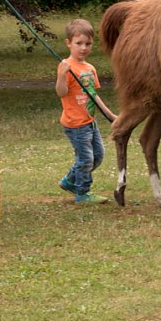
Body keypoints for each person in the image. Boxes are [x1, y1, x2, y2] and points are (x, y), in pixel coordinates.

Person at [55, 18, 116, 204]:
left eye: (88, 44)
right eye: (78, 43)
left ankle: (70, 180)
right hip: (75, 124)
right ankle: (83, 193)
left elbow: (93, 96)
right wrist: (62, 75)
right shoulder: (66, 66)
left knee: (98, 156)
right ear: (68, 43)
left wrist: (110, 115)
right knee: (86, 159)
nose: (83, 48)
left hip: (90, 122)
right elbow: (61, 92)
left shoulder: (90, 69)